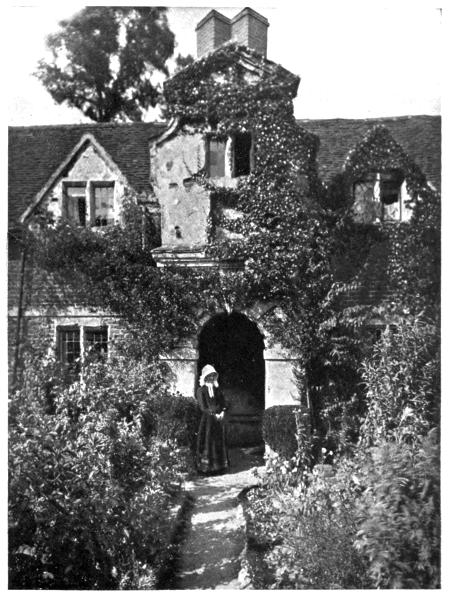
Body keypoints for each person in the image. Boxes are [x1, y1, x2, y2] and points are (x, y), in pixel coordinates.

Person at [196, 364, 230, 475]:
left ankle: (218, 467)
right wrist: (213, 414)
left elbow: (223, 403)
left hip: (218, 421)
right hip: (208, 422)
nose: (211, 378)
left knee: (218, 442)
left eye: (213, 376)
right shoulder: (201, 390)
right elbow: (203, 407)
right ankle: (206, 469)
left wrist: (222, 411)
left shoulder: (217, 390)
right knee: (207, 442)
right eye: (209, 376)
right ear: (205, 377)